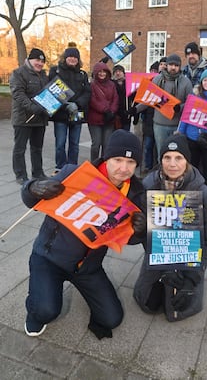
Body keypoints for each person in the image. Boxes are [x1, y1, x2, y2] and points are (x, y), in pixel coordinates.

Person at [22, 129, 147, 339]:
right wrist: (34, 188)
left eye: (131, 163)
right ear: (107, 158)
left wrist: (141, 231)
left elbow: (130, 238)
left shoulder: (135, 194)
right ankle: (35, 306)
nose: (123, 169)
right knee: (46, 311)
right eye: (117, 160)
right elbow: (32, 200)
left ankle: (61, 293)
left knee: (111, 319)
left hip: (87, 267)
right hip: (49, 257)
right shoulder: (75, 174)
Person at [133, 133, 207, 322]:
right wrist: (141, 230)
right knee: (147, 303)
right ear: (160, 160)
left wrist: (194, 274)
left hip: (190, 261)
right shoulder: (149, 186)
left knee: (181, 306)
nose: (172, 164)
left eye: (179, 158)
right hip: (159, 255)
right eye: (167, 157)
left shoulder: (203, 193)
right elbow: (143, 238)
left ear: (187, 161)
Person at [129, 54, 193, 158]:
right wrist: (136, 109)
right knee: (162, 154)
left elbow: (190, 103)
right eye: (171, 65)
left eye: (176, 65)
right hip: (159, 125)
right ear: (166, 65)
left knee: (177, 155)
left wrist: (180, 107)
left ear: (179, 67)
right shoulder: (157, 80)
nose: (173, 67)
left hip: (177, 126)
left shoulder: (186, 82)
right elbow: (149, 99)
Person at [49, 45, 91, 174]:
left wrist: (77, 104)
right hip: (61, 114)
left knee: (74, 143)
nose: (73, 59)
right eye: (70, 56)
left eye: (75, 57)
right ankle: (60, 167)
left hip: (76, 113)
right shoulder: (55, 71)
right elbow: (51, 90)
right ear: (65, 58)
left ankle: (72, 167)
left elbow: (87, 92)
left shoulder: (82, 74)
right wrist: (66, 105)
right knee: (60, 143)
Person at [9, 48, 49, 185]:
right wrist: (32, 107)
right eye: (37, 60)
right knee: (20, 148)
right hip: (23, 118)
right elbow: (18, 93)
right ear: (30, 60)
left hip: (40, 119)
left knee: (37, 148)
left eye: (42, 61)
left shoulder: (44, 75)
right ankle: (20, 175)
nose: (40, 63)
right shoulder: (18, 73)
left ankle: (38, 173)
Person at [87, 61, 119, 161]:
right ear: (96, 73)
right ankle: (94, 163)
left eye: (104, 71)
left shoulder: (111, 84)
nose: (102, 74)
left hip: (109, 119)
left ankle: (104, 165)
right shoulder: (92, 85)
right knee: (96, 144)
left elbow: (115, 99)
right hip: (95, 120)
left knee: (106, 145)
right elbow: (92, 100)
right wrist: (105, 110)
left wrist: (112, 111)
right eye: (99, 71)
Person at [112, 64, 132, 131]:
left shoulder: (128, 83)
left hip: (126, 113)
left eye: (119, 71)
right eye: (116, 72)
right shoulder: (111, 84)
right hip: (115, 114)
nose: (118, 73)